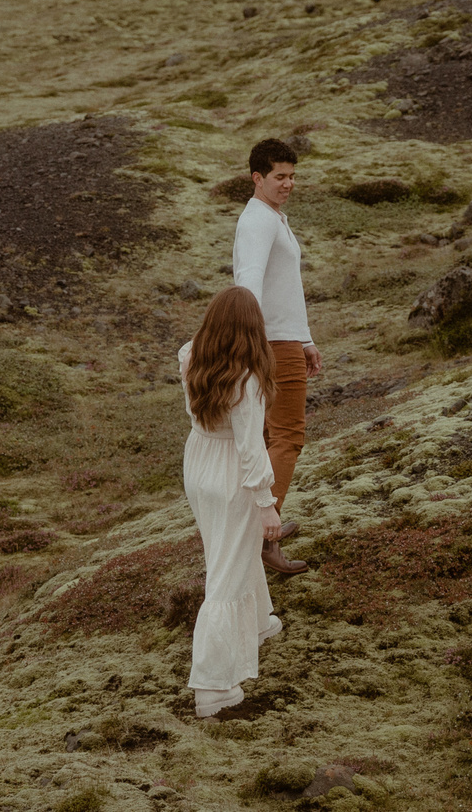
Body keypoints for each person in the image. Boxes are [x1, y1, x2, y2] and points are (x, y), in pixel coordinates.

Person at [179, 286, 285, 720]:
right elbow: (249, 448)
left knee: (227, 552)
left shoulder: (191, 355)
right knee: (223, 575)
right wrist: (266, 501)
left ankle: (260, 623)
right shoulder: (247, 378)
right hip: (230, 474)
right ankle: (213, 686)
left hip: (199, 462)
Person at [232, 136, 321, 575]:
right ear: (257, 178)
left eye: (292, 176)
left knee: (270, 437)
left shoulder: (271, 216)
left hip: (284, 339)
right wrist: (256, 342)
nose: (288, 183)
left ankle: (259, 527)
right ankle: (264, 539)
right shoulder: (258, 223)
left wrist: (304, 338)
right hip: (270, 343)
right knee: (288, 436)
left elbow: (284, 287)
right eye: (279, 177)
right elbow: (248, 282)